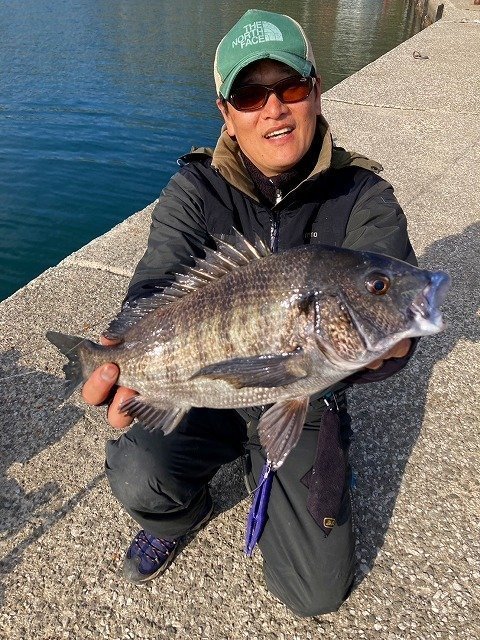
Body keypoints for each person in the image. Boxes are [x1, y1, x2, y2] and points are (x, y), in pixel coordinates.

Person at [82, 10, 414, 617]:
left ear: (316, 90)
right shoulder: (194, 191)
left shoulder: (363, 194)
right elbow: (157, 280)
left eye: (290, 87)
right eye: (250, 95)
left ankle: (299, 460)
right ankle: (182, 514)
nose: (274, 109)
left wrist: (391, 346)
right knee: (138, 470)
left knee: (315, 593)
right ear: (225, 113)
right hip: (200, 384)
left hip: (305, 393)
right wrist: (119, 351)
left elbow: (390, 288)